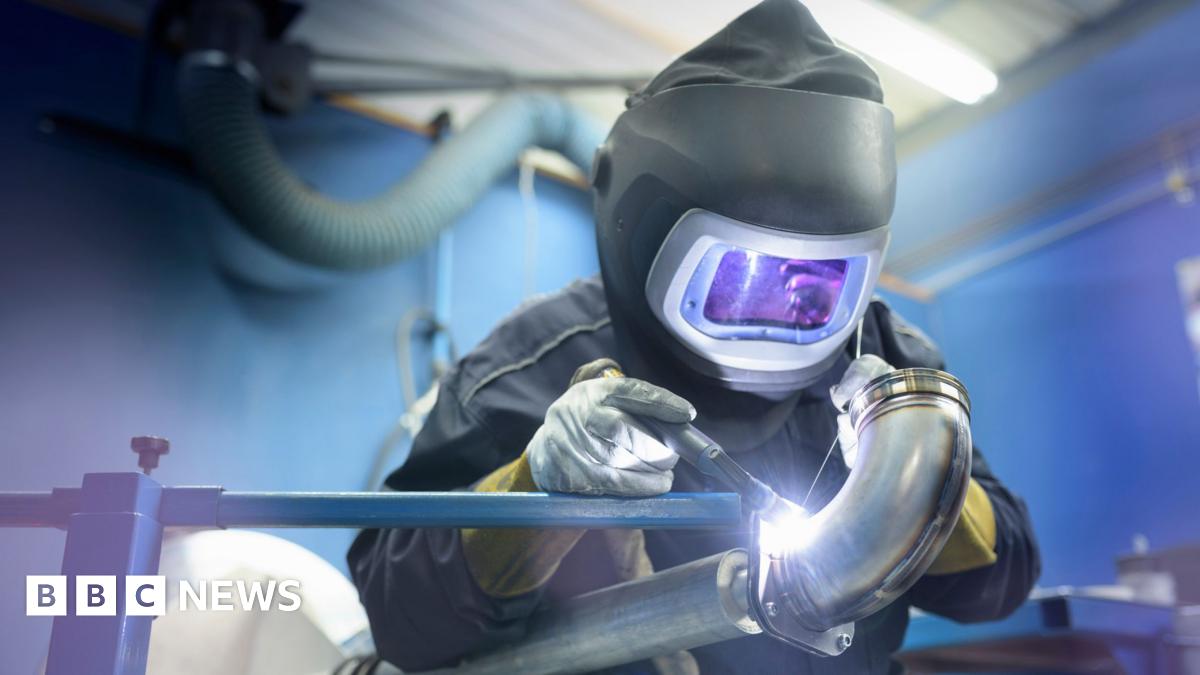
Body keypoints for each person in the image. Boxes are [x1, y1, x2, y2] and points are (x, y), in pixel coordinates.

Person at [348, 1, 1040, 672]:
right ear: (648, 237)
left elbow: (1002, 579)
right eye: (737, 276)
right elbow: (398, 614)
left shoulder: (881, 362)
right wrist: (538, 488)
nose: (773, 314)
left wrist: (910, 471)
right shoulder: (533, 366)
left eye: (812, 286)